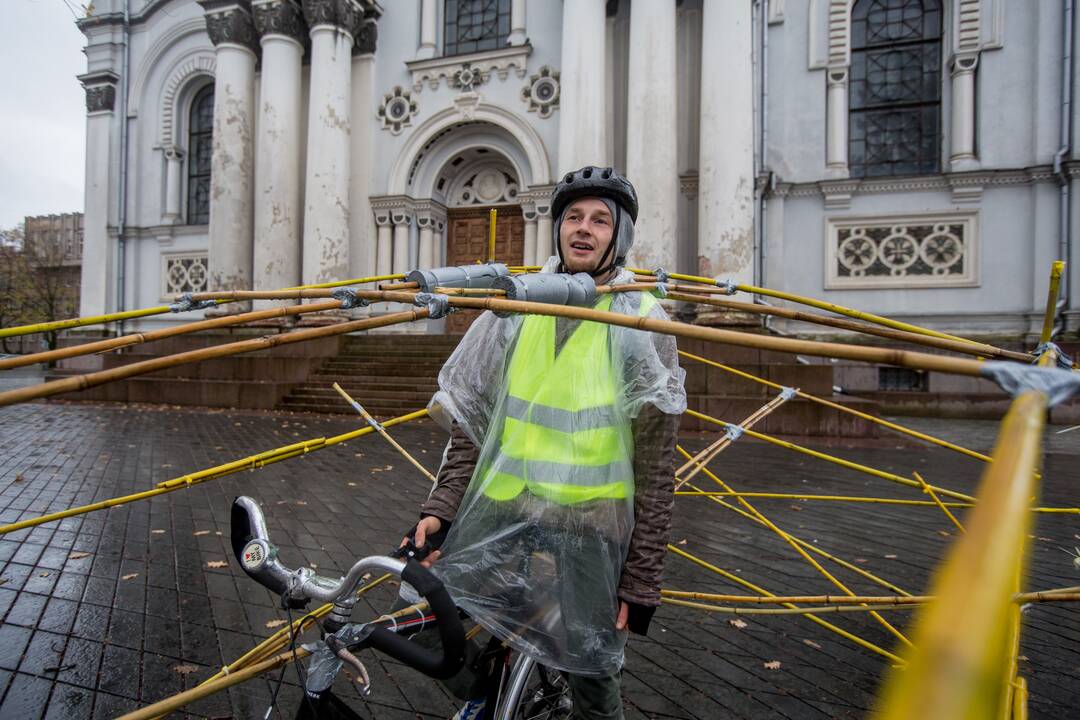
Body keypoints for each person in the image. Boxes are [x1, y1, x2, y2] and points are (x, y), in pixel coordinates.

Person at [401, 166, 686, 720]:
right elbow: (472, 423)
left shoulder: (640, 318)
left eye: (600, 220)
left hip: (591, 527)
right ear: (556, 228)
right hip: (504, 511)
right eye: (573, 217)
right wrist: (441, 508)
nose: (583, 229)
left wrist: (643, 575)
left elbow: (656, 466)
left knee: (594, 671)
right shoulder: (517, 305)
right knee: (424, 624)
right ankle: (494, 692)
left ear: (619, 235)